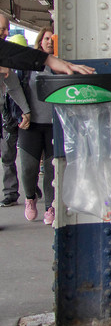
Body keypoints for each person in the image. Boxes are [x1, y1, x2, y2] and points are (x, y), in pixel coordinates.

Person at [18, 28, 59, 224]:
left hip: (53, 125)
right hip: (31, 125)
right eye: (46, 38)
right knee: (28, 168)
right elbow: (14, 90)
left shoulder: (60, 65)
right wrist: (19, 114)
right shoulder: (28, 66)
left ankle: (50, 206)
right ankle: (30, 197)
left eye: (53, 39)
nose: (49, 42)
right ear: (40, 41)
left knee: (52, 169)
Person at [0, 20, 30, 207]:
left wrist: (26, 110)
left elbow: (14, 87)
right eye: (2, 29)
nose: (4, 32)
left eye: (6, 30)